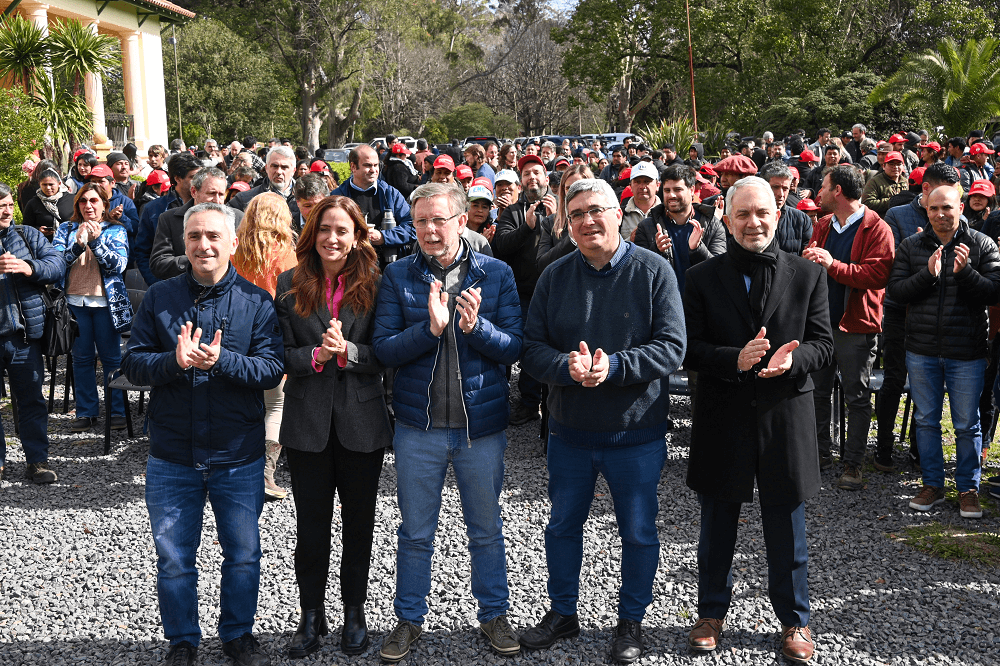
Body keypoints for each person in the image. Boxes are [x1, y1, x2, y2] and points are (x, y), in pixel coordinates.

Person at [519, 179, 686, 664]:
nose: (588, 221)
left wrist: (613, 366)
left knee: (637, 531)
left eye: (597, 210)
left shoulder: (654, 271)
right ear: (566, 225)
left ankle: (631, 620)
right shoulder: (554, 275)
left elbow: (672, 347)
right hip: (569, 430)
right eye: (576, 215)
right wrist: (564, 368)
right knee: (563, 527)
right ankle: (563, 613)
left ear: (620, 214)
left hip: (635, 432)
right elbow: (531, 349)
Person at [121, 203, 284, 666]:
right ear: (183, 243)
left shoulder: (256, 301)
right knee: (174, 558)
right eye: (194, 237)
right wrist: (173, 361)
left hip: (238, 454)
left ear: (233, 242)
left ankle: (237, 634)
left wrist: (223, 362)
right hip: (173, 454)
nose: (203, 245)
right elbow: (132, 364)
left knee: (244, 553)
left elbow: (272, 369)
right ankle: (183, 641)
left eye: (213, 236)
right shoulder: (159, 297)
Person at [683, 176, 834, 664]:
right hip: (723, 415)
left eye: (762, 213)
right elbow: (688, 349)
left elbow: (824, 345)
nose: (753, 223)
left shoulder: (807, 275)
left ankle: (795, 621)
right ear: (725, 220)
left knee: (787, 529)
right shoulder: (701, 277)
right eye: (742, 214)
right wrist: (735, 358)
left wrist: (795, 361)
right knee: (717, 526)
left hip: (784, 415)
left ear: (779, 213)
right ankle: (710, 613)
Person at [372, 183, 523, 662]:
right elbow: (384, 349)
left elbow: (516, 347)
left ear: (463, 221)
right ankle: (408, 619)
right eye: (421, 222)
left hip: (481, 428)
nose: (430, 230)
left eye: (439, 220)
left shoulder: (496, 273)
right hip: (419, 428)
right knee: (416, 531)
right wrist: (430, 329)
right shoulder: (397, 276)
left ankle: (494, 614)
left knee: (486, 528)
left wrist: (478, 329)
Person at [274, 195, 392, 658]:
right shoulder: (289, 284)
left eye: (342, 229)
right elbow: (279, 354)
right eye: (324, 229)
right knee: (312, 526)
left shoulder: (377, 285)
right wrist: (316, 357)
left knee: (359, 524)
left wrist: (349, 353)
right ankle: (309, 614)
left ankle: (354, 612)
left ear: (358, 235)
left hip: (361, 423)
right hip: (307, 423)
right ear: (311, 233)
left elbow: (386, 352)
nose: (333, 238)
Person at [887, 185, 1000, 520]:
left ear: (960, 207)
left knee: (967, 423)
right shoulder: (912, 246)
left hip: (966, 350)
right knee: (926, 420)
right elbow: (895, 291)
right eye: (933, 208)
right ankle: (933, 484)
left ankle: (968, 489)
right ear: (926, 209)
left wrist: (965, 274)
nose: (940, 214)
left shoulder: (981, 244)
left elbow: (994, 291)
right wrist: (927, 274)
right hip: (922, 349)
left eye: (947, 208)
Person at [803, 165, 893, 484]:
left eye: (823, 187)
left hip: (855, 327)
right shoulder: (824, 224)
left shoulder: (877, 228)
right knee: (817, 392)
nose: (819, 193)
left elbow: (877, 275)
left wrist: (833, 265)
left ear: (838, 191)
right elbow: (814, 266)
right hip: (820, 326)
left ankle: (852, 463)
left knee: (856, 396)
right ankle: (819, 455)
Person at [231, 192, 298, 500]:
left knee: (245, 406)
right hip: (272, 334)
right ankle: (265, 474)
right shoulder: (284, 250)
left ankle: (237, 471)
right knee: (276, 405)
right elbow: (292, 297)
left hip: (239, 335)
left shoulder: (236, 249)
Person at [53, 183, 132, 433]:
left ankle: (117, 410)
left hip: (106, 304)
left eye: (94, 201)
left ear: (104, 204)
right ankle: (87, 411)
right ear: (77, 205)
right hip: (74, 304)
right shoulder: (66, 229)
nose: (88, 205)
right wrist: (77, 244)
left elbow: (117, 266)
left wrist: (96, 243)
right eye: (83, 201)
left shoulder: (116, 230)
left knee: (112, 359)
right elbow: (55, 264)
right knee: (81, 359)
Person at [0, 183, 64, 483]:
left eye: (10, 204)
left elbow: (57, 265)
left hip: (23, 336)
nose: (6, 210)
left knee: (31, 401)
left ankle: (37, 461)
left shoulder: (27, 234)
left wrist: (28, 267)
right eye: (0, 205)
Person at [493, 154, 556, 426]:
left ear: (546, 177)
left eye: (536, 172)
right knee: (528, 347)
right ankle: (529, 402)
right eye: (527, 174)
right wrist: (527, 227)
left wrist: (556, 220)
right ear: (521, 182)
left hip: (559, 291)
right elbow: (501, 246)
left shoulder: (561, 205)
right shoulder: (513, 212)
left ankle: (553, 401)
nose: (532, 177)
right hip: (524, 292)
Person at [150, 168, 243, 281]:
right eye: (211, 193)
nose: (217, 200)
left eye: (221, 194)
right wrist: (197, 258)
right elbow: (159, 264)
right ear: (194, 192)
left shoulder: (238, 218)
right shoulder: (169, 219)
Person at [331, 145, 414, 268]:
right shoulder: (337, 197)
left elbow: (413, 226)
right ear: (353, 167)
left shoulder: (390, 194)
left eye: (376, 165)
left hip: (387, 268)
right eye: (368, 165)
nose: (373, 170)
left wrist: (383, 237)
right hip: (348, 268)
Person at [536, 164, 592, 273]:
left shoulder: (601, 218)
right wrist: (570, 241)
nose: (573, 192)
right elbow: (541, 264)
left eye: (579, 186)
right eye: (568, 188)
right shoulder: (550, 222)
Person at [21, 168, 74, 240]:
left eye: (51, 184)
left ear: (59, 184)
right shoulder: (33, 203)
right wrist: (38, 230)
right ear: (39, 184)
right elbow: (25, 227)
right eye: (44, 185)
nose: (48, 188)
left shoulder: (71, 199)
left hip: (70, 242)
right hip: (43, 245)